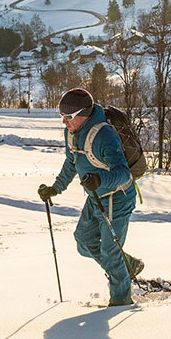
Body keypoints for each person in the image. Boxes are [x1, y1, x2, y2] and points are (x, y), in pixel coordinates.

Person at [38, 88, 142, 306]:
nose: (64, 122)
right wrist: (55, 189)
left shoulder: (104, 135)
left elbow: (123, 174)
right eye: (62, 117)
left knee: (111, 253)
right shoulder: (72, 132)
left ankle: (121, 302)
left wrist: (100, 180)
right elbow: (71, 162)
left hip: (117, 197)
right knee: (83, 241)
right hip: (96, 196)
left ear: (83, 114)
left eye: (68, 117)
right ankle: (128, 265)